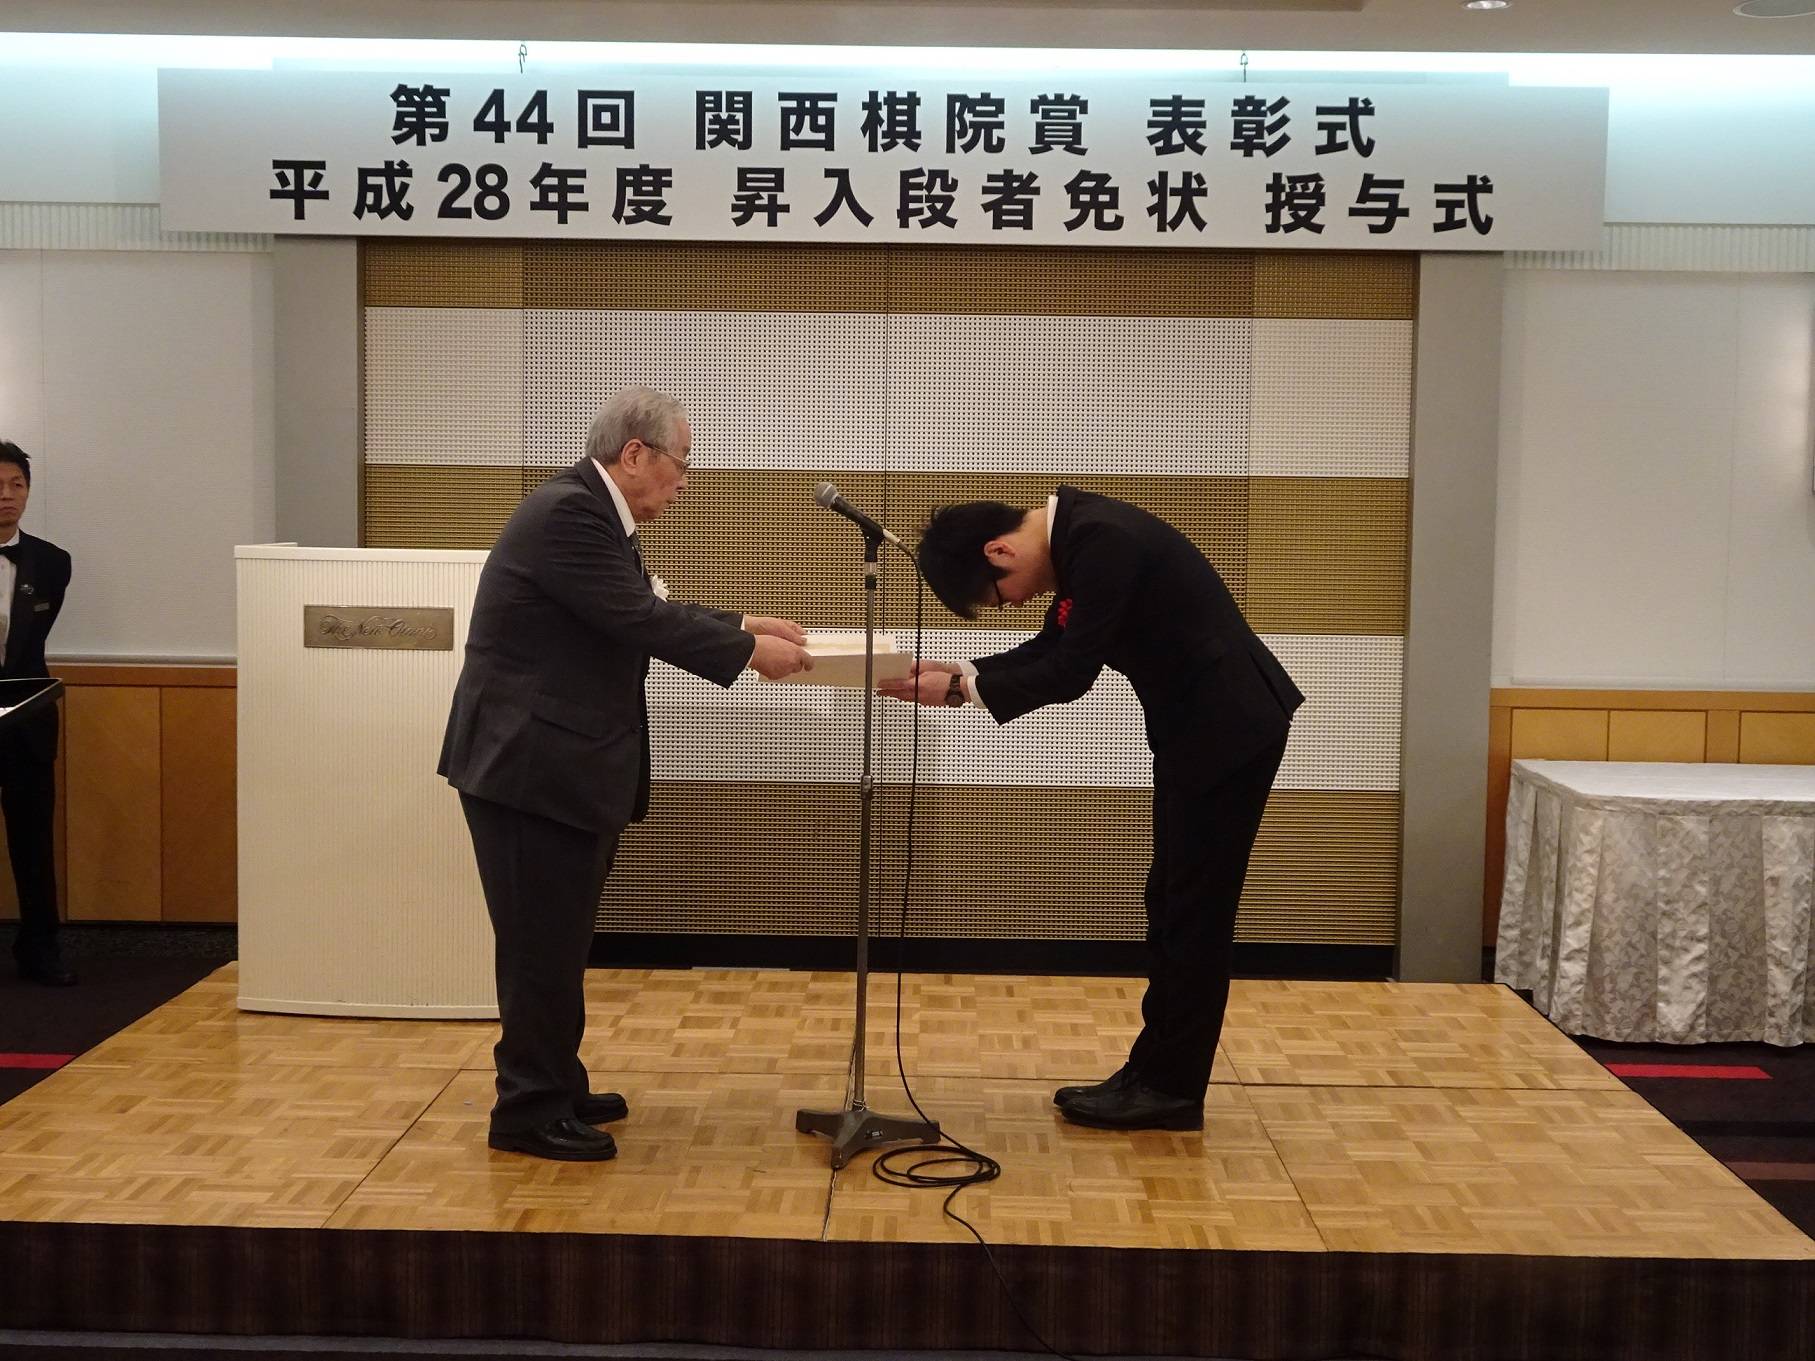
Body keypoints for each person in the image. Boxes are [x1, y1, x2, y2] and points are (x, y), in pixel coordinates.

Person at [439, 388, 812, 1162]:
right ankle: (528, 1108)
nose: (684, 484)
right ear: (635, 453)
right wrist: (748, 653)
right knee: (539, 947)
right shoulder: (570, 515)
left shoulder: (591, 513)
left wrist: (742, 624)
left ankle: (557, 1081)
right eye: (682, 463)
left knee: (557, 939)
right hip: (529, 770)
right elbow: (639, 619)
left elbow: (634, 605)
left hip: (556, 768)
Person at [880, 486, 1302, 1131]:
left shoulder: (1102, 542)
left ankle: (1171, 1089)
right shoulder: (1083, 536)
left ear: (999, 550)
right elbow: (1054, 646)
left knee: (1194, 911)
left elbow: (1071, 671)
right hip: (1203, 730)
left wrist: (964, 687)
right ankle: (1152, 1071)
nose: (1014, 604)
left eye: (999, 596)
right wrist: (963, 673)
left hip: (1227, 729)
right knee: (1171, 902)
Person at [0, 440, 74, 987]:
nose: (7, 496)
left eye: (17, 484)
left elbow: (32, 643)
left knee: (33, 839)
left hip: (25, 716)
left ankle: (40, 948)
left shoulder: (52, 562)